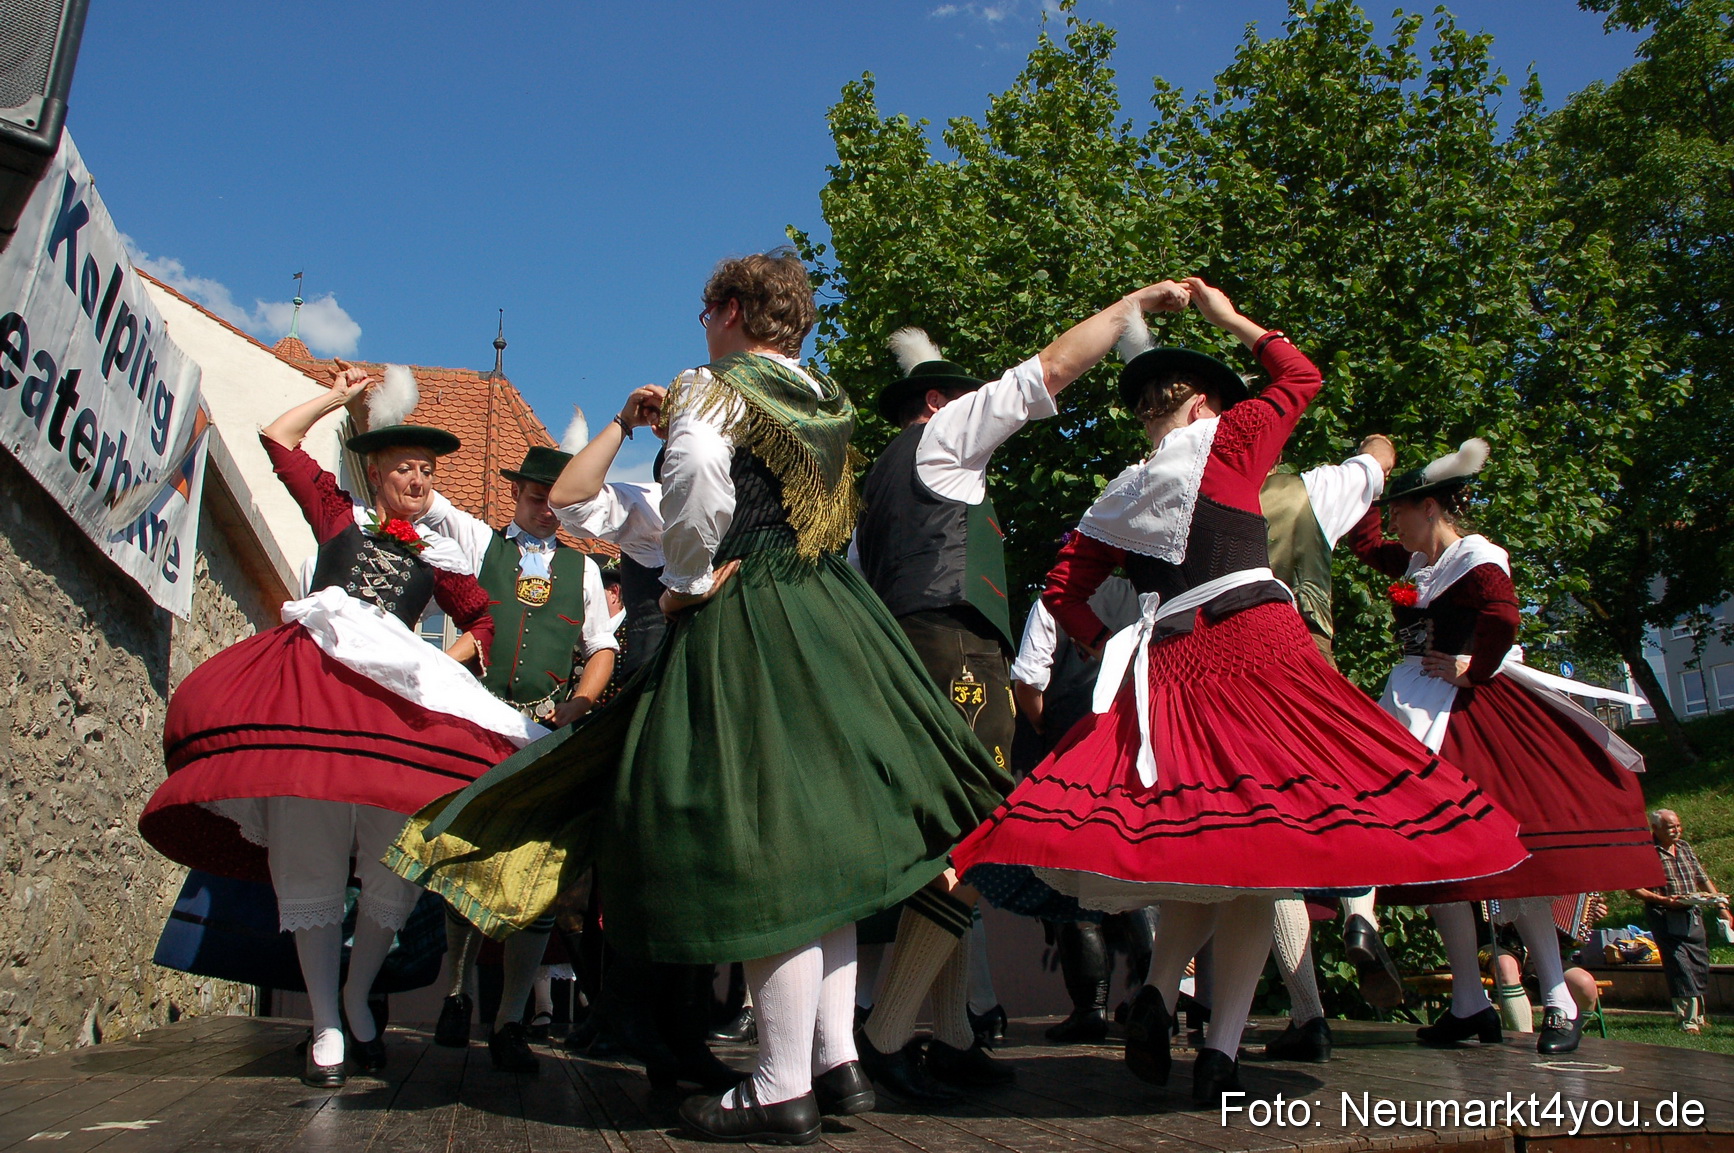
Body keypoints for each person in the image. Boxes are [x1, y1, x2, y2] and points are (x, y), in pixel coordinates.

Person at [389, 249, 1017, 1146]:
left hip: (746, 621)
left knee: (759, 842)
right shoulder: (828, 403)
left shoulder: (710, 387)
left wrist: (685, 582)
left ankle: (778, 1082)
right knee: (823, 843)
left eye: (704, 308)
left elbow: (693, 476)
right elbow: (608, 499)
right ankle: (835, 1060)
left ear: (728, 309)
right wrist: (629, 429)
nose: (699, 323)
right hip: (831, 621)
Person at [952, 278, 1529, 1108]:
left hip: (1171, 671)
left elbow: (1062, 592)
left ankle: (1161, 993)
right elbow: (1301, 377)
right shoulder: (1231, 440)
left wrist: (1111, 643)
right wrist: (1228, 317)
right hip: (1261, 657)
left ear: (1149, 413)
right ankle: (1218, 1050)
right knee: (1264, 856)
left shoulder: (1117, 494)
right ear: (1204, 405)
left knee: (1211, 848)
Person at [139, 361, 542, 1088]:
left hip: (390, 712)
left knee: (392, 858)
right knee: (312, 850)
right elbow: (278, 438)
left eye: (427, 470)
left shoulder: (439, 553)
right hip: (314, 697)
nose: (418, 479)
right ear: (375, 473)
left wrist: (436, 666)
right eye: (405, 467)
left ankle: (358, 995)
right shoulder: (339, 516)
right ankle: (326, 1020)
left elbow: (483, 619)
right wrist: (339, 398)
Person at [852, 281, 1195, 1101]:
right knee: (974, 838)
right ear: (937, 402)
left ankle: (953, 1033)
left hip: (900, 654)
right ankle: (888, 1034)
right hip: (958, 653)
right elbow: (1046, 370)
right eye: (962, 396)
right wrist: (1127, 310)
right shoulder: (946, 435)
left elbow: (861, 583)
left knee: (943, 843)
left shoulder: (877, 482)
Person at [1351, 441, 1664, 1056]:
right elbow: (1365, 543)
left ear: (1431, 507)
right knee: (1441, 859)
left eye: (1401, 511)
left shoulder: (1476, 555)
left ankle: (1559, 999)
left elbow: (1503, 613)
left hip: (1473, 714)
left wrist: (1476, 668)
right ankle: (1469, 1002)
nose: (1394, 525)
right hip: (1417, 712)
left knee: (1516, 860)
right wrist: (1372, 473)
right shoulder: (1418, 564)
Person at [431, 444, 619, 1073]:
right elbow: (421, 505)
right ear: (516, 493)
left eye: (556, 501)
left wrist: (581, 703)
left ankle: (510, 1021)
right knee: (462, 863)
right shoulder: (478, 544)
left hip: (542, 734)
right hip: (478, 724)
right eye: (537, 499)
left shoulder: (583, 569)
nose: (547, 511)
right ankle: (456, 995)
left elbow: (600, 647)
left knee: (535, 878)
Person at [1258, 437, 1406, 1063]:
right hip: (1311, 666)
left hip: (1238, 679)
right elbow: (1381, 455)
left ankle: (1309, 1015)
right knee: (1348, 801)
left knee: (1270, 845)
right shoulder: (1315, 487)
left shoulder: (1183, 492)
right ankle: (1359, 914)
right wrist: (1370, 451)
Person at [1009, 580, 1148, 1045]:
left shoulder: (1052, 601)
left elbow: (1029, 680)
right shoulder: (1144, 596)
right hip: (1133, 747)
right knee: (1133, 868)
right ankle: (1158, 999)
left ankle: (1090, 1008)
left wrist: (1045, 725)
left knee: (1071, 876)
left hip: (1072, 749)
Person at [1633, 809, 1732, 1033]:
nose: (1676, 830)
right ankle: (1687, 1020)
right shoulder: (1648, 852)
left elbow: (1702, 879)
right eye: (1670, 827)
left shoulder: (1684, 847)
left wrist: (1720, 905)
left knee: (1699, 964)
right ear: (1655, 829)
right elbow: (1634, 889)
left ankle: (1699, 1016)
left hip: (1691, 915)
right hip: (1665, 915)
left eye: (1678, 826)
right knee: (1680, 965)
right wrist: (1663, 900)